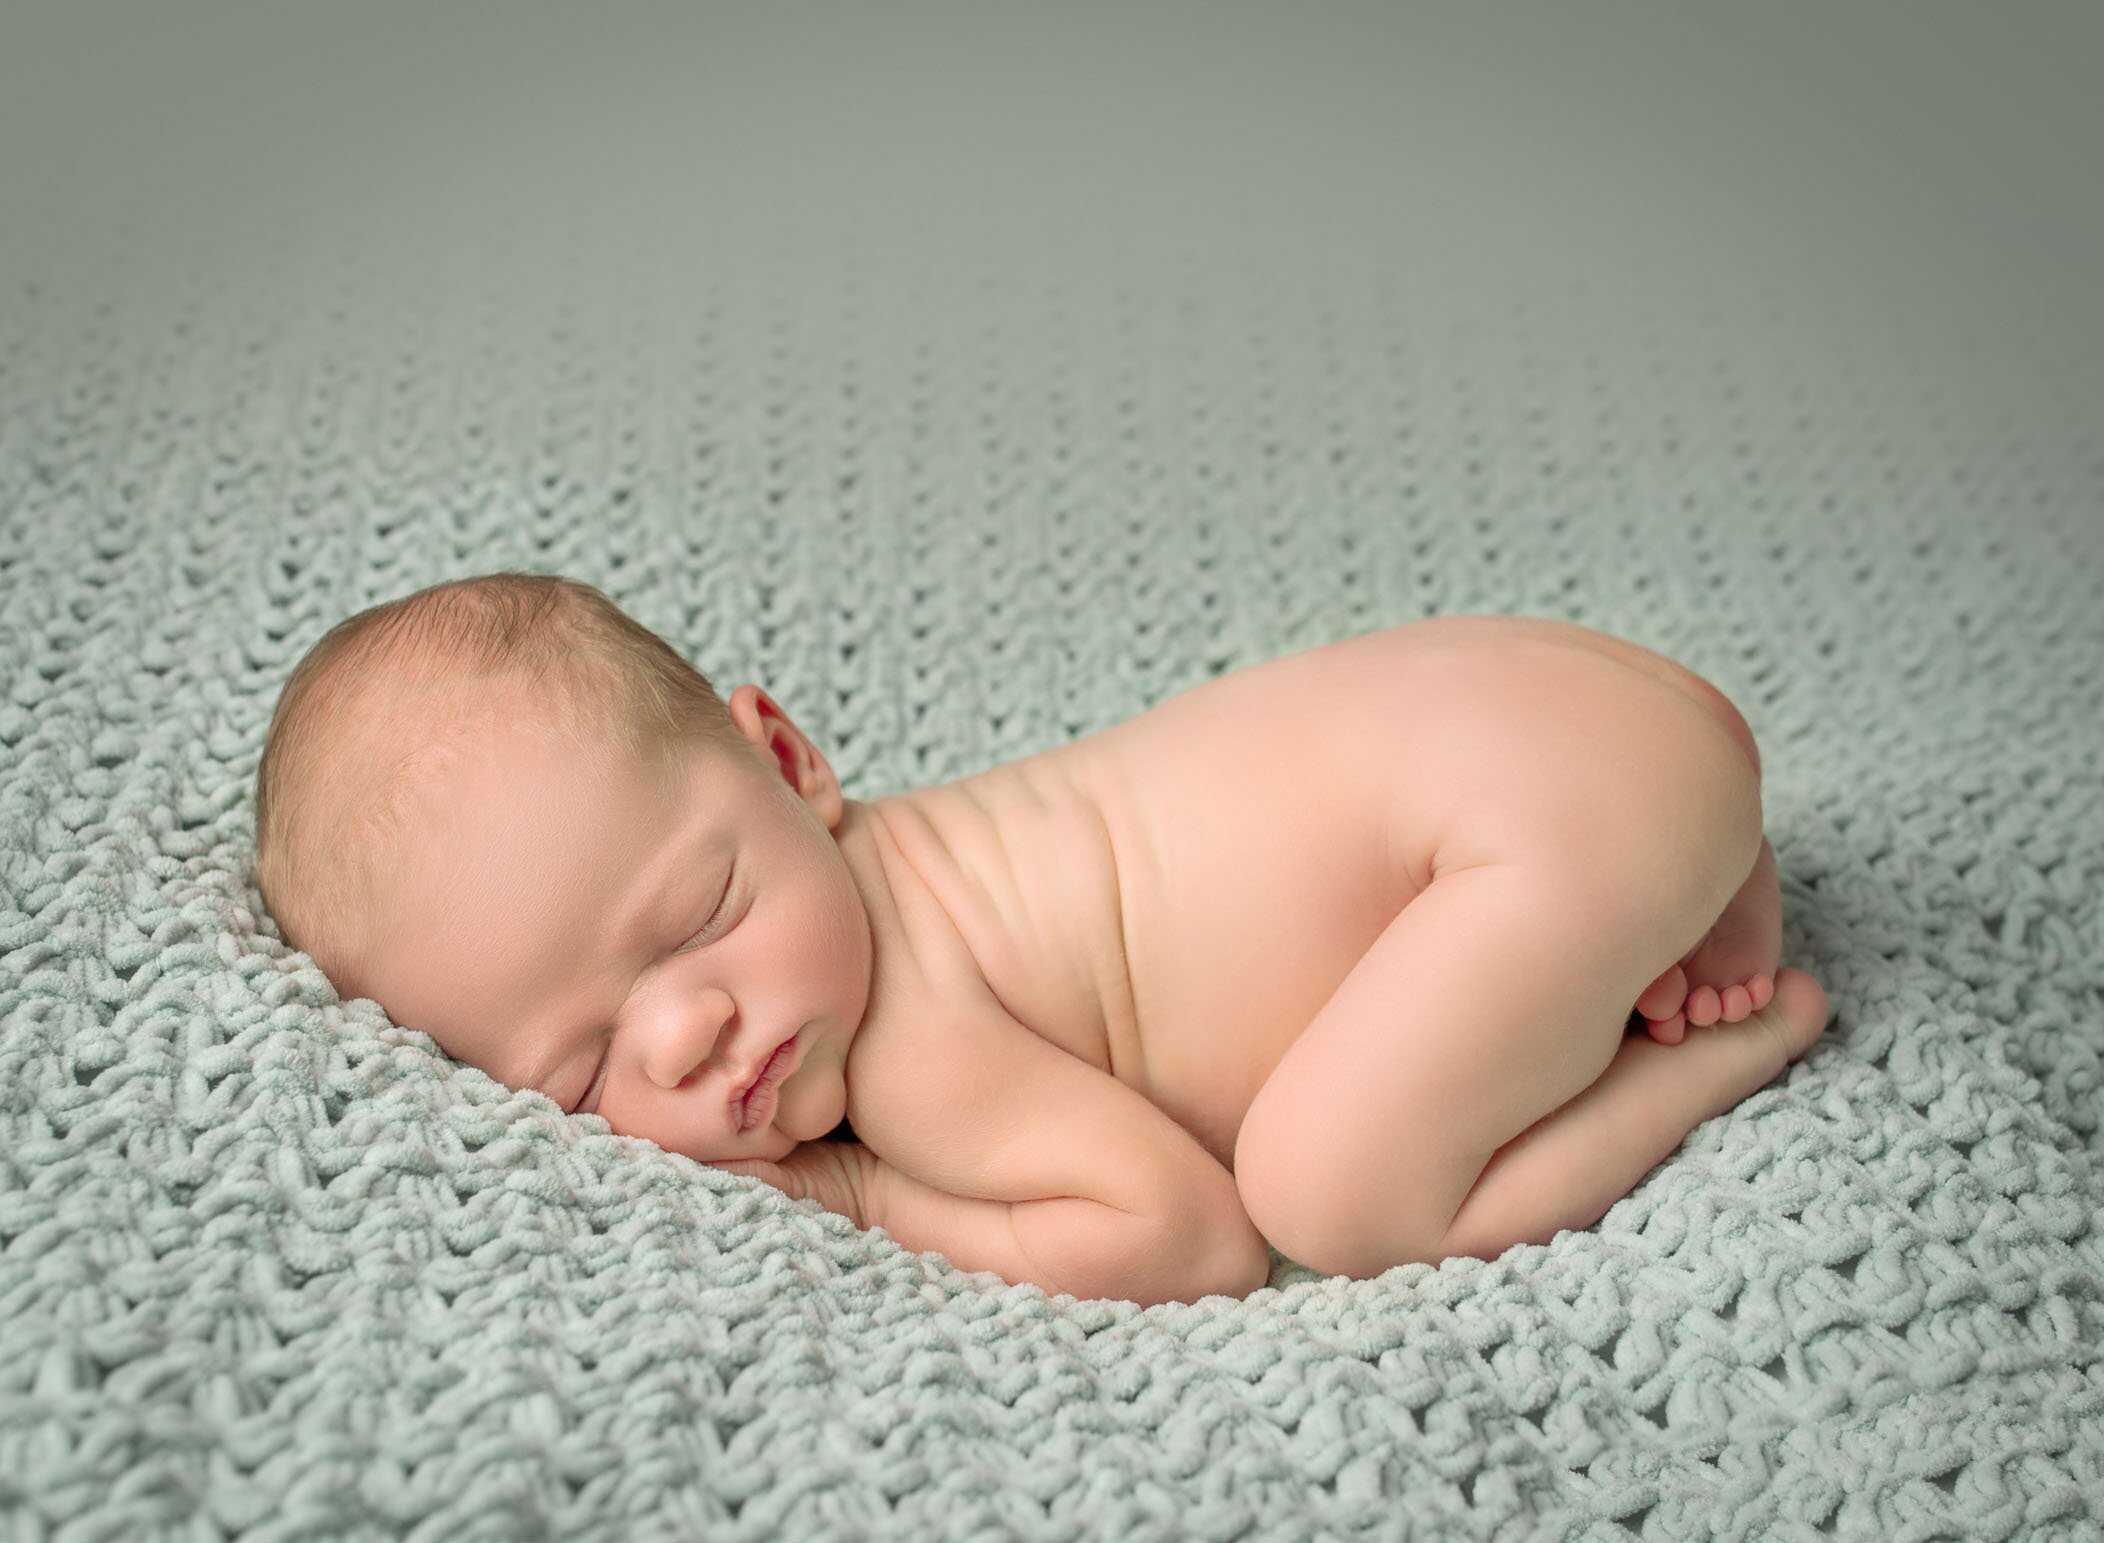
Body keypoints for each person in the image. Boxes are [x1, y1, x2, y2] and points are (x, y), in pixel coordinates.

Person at [253, 571, 1826, 1306]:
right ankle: (1687, 894)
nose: (685, 1037)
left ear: (795, 765)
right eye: (582, 1065)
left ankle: (1730, 1037)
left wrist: (868, 1190)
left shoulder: (916, 1040)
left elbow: (1191, 1237)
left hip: (1546, 805)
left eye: (700, 920)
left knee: (1329, 1194)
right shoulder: (907, 873)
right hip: (1595, 713)